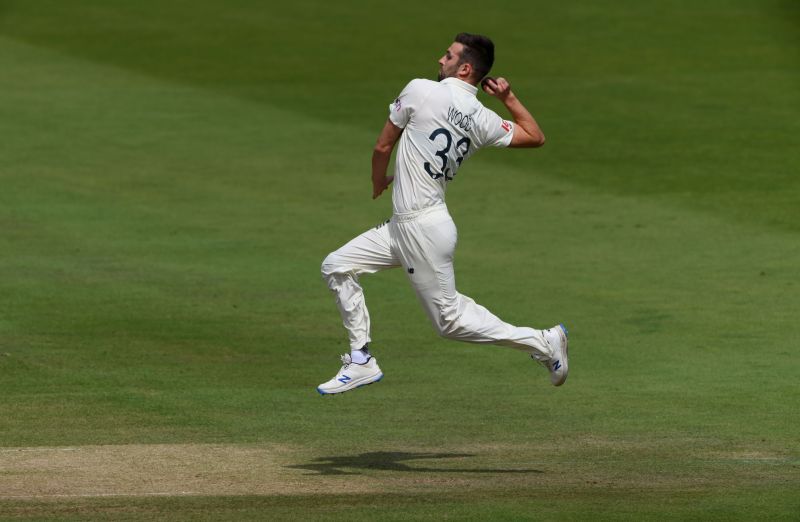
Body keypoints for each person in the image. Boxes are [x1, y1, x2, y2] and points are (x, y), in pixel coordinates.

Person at [317, 33, 568, 395]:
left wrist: (377, 181)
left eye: (448, 56)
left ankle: (544, 342)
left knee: (448, 322)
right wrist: (508, 98)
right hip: (407, 226)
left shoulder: (421, 90)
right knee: (337, 266)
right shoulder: (482, 116)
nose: (440, 59)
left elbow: (383, 144)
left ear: (464, 68)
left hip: (421, 226)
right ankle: (361, 360)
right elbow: (534, 135)